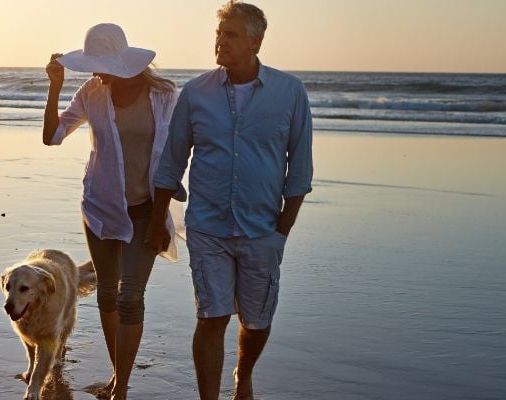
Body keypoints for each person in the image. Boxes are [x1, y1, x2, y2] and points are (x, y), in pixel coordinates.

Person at [145, 2, 313, 399]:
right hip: (208, 227)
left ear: (255, 42)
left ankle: (244, 375)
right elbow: (171, 162)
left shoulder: (290, 93)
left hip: (262, 229)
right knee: (211, 317)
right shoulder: (196, 92)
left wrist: (281, 232)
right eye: (219, 33)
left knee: (256, 321)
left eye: (231, 34)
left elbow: (300, 171)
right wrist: (157, 222)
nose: (220, 40)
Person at [42, 22, 182, 400]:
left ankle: (121, 387)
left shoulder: (164, 95)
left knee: (130, 296)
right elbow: (52, 136)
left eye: (99, 63)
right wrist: (55, 86)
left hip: (148, 210)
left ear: (121, 61)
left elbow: (177, 153)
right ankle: (118, 377)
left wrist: (162, 216)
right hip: (101, 207)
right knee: (107, 293)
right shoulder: (92, 92)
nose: (93, 71)